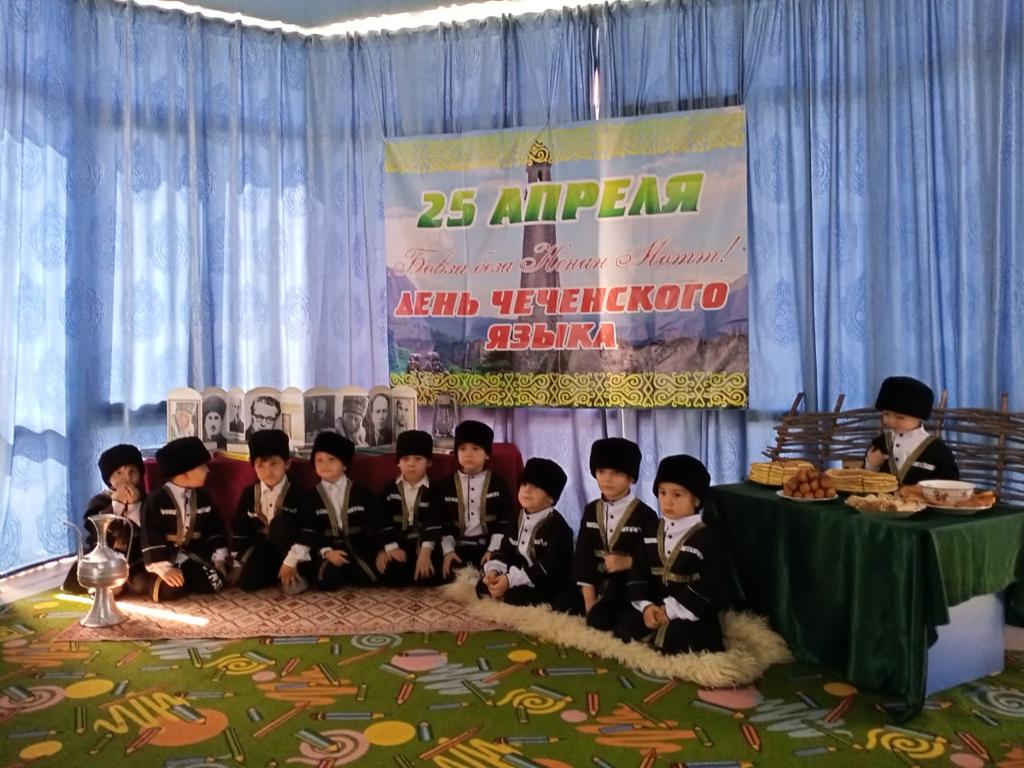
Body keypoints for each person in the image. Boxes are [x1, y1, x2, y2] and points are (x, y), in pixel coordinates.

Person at [619, 455, 725, 653]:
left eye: (677, 495)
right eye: (662, 493)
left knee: (670, 641)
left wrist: (669, 611)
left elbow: (709, 584)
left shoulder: (707, 539)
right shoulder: (650, 531)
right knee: (624, 628)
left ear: (696, 499)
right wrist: (647, 606)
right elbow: (639, 572)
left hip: (691, 608)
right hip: (656, 603)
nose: (667, 501)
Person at [554, 437, 657, 632]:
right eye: (601, 471)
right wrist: (589, 601)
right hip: (595, 581)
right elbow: (583, 557)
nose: (607, 478)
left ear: (631, 477)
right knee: (561, 605)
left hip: (627, 582)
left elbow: (654, 558)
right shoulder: (591, 510)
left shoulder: (646, 515)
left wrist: (629, 562)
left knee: (602, 620)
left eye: (616, 472)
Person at [141, 437, 229, 602]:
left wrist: (219, 557)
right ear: (184, 473)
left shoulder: (203, 496)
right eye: (202, 466)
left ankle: (189, 576)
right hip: (165, 557)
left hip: (194, 555)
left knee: (214, 583)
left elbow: (213, 529)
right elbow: (150, 535)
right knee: (169, 590)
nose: (208, 470)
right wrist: (165, 569)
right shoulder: (156, 500)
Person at [477, 457, 573, 607]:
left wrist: (510, 580)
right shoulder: (517, 517)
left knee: (516, 596)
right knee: (482, 587)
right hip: (519, 572)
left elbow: (549, 566)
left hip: (546, 579)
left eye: (535, 487)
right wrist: (494, 571)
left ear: (551, 498)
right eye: (524, 484)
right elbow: (506, 550)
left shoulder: (558, 527)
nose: (527, 490)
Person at [62, 444, 149, 596]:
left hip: (135, 555)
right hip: (104, 553)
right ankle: (106, 584)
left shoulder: (147, 499)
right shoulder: (100, 500)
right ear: (109, 479)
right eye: (119, 473)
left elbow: (150, 527)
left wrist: (135, 506)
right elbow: (92, 525)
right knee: (97, 577)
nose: (127, 477)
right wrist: (117, 504)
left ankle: (121, 581)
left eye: (132, 471)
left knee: (141, 585)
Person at [230, 429, 310, 595]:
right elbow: (240, 529)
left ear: (287, 464)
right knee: (248, 583)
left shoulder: (298, 491)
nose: (268, 471)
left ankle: (294, 573)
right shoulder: (249, 493)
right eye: (261, 465)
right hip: (265, 550)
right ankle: (277, 573)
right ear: (253, 467)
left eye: (273, 464)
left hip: (293, 551)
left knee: (280, 523)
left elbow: (308, 529)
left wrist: (291, 562)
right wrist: (238, 564)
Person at [299, 431, 379, 589]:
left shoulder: (361, 491)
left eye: (331, 459)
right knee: (328, 581)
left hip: (357, 545)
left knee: (369, 578)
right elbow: (310, 530)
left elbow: (374, 521)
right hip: (326, 547)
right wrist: (326, 551)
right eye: (319, 460)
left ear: (344, 465)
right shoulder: (310, 496)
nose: (325, 464)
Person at [437, 420, 514, 578]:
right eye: (462, 448)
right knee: (439, 572)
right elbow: (442, 523)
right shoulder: (446, 485)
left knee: (500, 569)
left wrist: (493, 550)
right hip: (457, 547)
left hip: (487, 546)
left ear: (487, 454)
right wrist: (448, 551)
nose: (468, 454)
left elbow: (505, 522)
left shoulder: (498, 484)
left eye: (475, 448)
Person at [375, 430, 445, 586]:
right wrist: (389, 548)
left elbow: (435, 521)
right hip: (397, 543)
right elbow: (381, 520)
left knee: (432, 574)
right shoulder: (388, 490)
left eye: (418, 459)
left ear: (429, 462)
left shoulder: (435, 491)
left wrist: (425, 553)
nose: (411, 464)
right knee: (392, 575)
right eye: (405, 459)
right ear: (398, 462)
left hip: (425, 543)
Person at [864, 376, 959, 485]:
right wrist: (871, 465)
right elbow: (862, 483)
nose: (890, 421)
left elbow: (951, 484)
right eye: (886, 414)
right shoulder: (879, 443)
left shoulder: (938, 450)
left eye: (900, 417)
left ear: (919, 417)